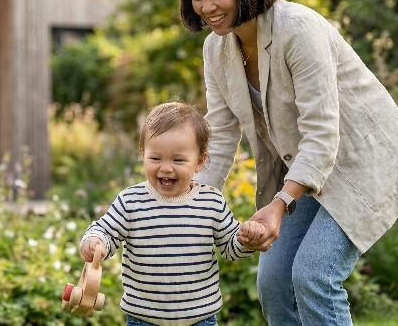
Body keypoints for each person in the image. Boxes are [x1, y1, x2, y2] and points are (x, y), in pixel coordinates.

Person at [178, 0, 398, 325]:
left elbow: (322, 132)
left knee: (315, 275)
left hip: (360, 161)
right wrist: (191, 206)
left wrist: (279, 205)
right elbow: (221, 133)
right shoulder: (216, 49)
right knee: (274, 283)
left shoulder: (298, 29)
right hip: (307, 170)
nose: (207, 7)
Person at [79, 101, 266, 326]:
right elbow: (105, 230)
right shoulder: (131, 201)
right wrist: (95, 240)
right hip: (144, 319)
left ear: (200, 161)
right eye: (156, 158)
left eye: (178, 160)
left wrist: (248, 239)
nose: (166, 168)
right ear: (143, 154)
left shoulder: (211, 202)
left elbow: (231, 247)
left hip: (200, 319)